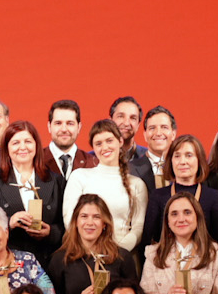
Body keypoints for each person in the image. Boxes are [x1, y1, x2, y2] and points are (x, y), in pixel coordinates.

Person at [0, 119, 64, 267]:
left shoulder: (55, 181)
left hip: (47, 262)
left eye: (28, 141)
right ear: (6, 148)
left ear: (36, 145)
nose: (22, 147)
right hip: (5, 262)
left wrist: (50, 232)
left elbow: (66, 225)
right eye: (15, 143)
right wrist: (8, 222)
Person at [50, 195, 138, 294]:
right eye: (84, 216)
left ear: (105, 223)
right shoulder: (59, 259)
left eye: (96, 217)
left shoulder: (122, 257)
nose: (90, 223)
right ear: (76, 222)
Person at [63, 119, 148, 252]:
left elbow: (138, 228)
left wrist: (117, 253)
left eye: (109, 141)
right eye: (98, 143)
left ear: (120, 141)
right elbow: (70, 220)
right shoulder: (79, 177)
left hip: (122, 258)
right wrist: (90, 250)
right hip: (84, 256)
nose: (105, 147)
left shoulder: (137, 184)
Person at [139, 132, 218, 247]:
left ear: (199, 160)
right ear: (170, 161)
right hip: (166, 262)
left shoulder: (214, 197)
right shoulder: (158, 196)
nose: (183, 162)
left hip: (205, 262)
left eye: (189, 155)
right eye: (177, 156)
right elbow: (147, 243)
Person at [128, 106, 177, 189]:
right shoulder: (129, 169)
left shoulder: (182, 166)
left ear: (173, 134)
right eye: (152, 128)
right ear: (145, 135)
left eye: (164, 127)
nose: (158, 133)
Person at [46, 99, 84, 176]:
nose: (64, 129)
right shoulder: (35, 162)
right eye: (58, 123)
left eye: (70, 123)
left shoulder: (92, 164)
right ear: (49, 127)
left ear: (79, 127)